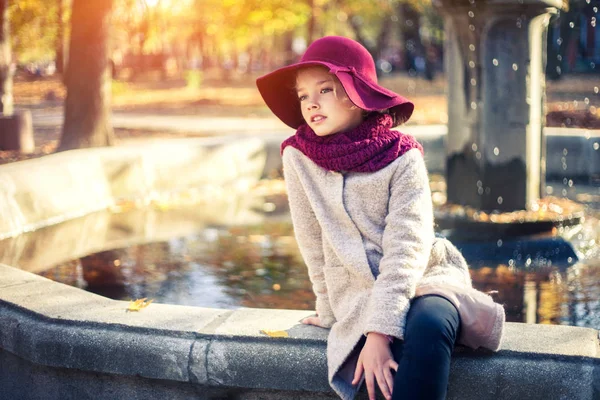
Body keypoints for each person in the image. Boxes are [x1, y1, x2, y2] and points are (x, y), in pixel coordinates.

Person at [256, 36, 504, 400]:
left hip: (423, 278)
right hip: (355, 294)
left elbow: (407, 250)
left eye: (325, 89)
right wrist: (327, 311)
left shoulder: (403, 158)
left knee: (428, 326)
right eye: (303, 95)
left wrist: (378, 332)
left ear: (359, 94)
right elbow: (312, 243)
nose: (311, 103)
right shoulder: (298, 157)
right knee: (379, 365)